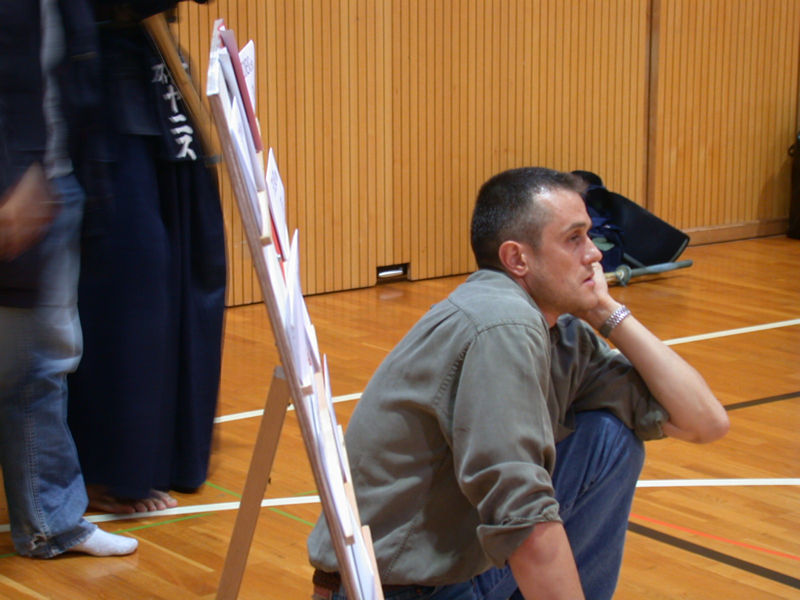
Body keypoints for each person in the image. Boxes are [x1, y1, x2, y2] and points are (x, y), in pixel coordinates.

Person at [307, 167, 730, 599]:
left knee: (609, 439)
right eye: (574, 238)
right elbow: (522, 516)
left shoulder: (561, 333)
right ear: (517, 259)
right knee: (552, 497)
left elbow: (705, 422)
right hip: (393, 589)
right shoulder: (502, 324)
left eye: (588, 236)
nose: (594, 253)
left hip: (452, 571)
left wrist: (607, 311)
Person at [66, 0, 226, 514]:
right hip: (98, 87)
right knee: (133, 280)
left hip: (153, 67)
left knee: (190, 268)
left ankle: (167, 454)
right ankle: (109, 468)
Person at [0, 0, 137, 558]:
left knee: (40, 366)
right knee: (28, 368)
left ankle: (49, 523)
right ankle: (49, 522)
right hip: (18, 195)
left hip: (54, 186)